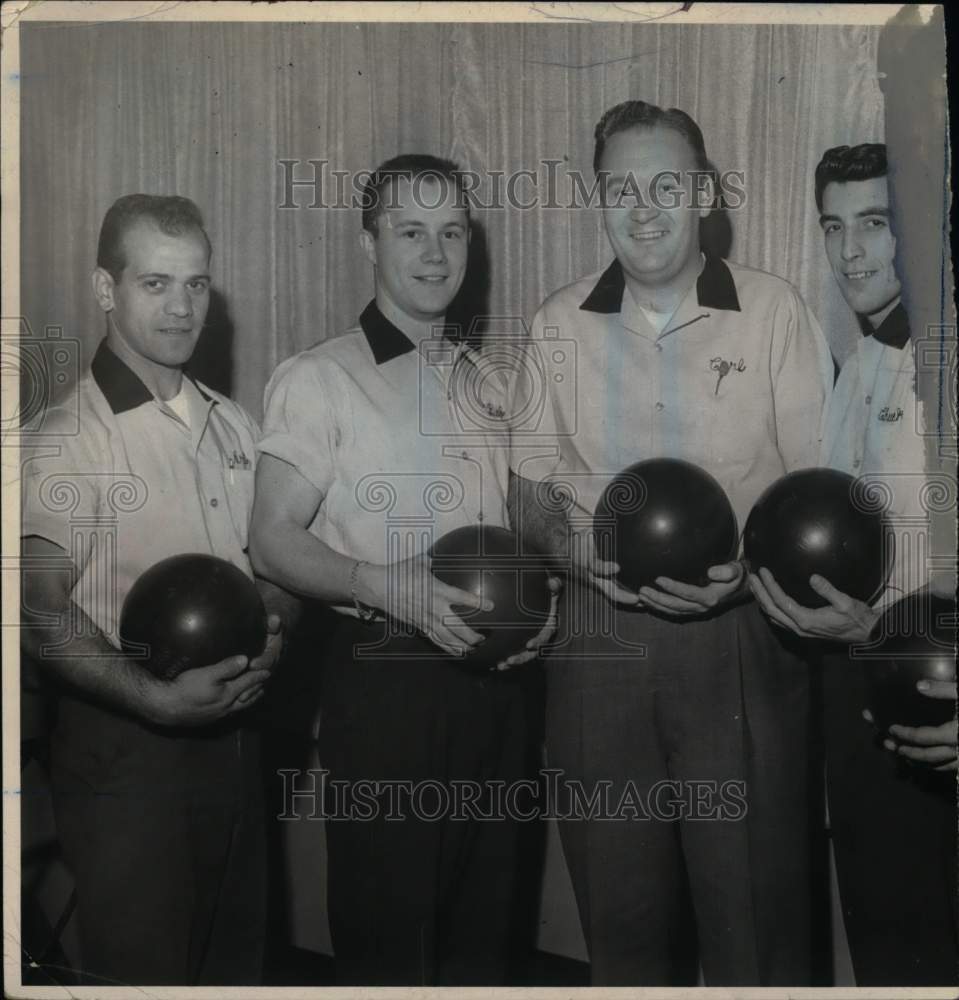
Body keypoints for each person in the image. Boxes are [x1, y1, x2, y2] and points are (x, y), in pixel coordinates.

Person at [511, 99, 834, 985]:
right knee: (621, 922)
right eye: (621, 188)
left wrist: (743, 584)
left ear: (702, 193)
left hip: (740, 637)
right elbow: (528, 488)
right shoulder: (556, 324)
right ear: (597, 198)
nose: (643, 208)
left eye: (665, 185)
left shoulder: (772, 310)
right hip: (596, 640)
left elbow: (820, 488)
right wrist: (577, 558)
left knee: (755, 921)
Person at [249, 154, 554, 986]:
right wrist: (382, 584)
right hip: (385, 680)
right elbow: (271, 538)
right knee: (392, 938)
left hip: (495, 686)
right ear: (368, 243)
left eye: (451, 231)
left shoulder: (485, 379)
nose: (434, 252)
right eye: (410, 231)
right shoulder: (320, 377)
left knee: (484, 936)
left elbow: (513, 538)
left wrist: (537, 615)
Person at [19, 195, 295, 986]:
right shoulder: (71, 437)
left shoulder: (233, 424)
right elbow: (38, 610)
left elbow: (272, 574)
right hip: (126, 753)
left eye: (197, 285)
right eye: (155, 284)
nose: (182, 308)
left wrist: (278, 625)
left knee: (235, 969)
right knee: (148, 976)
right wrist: (151, 698)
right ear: (106, 290)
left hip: (235, 741)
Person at [748, 143, 958, 985]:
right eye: (833, 227)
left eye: (875, 224)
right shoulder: (856, 364)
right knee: (884, 946)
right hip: (856, 704)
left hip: (938, 700)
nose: (849, 253)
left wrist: (877, 631)